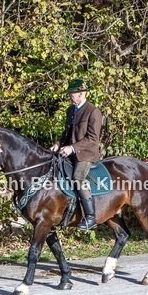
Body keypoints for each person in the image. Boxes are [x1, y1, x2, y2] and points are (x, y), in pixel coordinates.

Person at [51, 79, 104, 230]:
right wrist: (58, 143)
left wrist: (72, 148)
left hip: (86, 154)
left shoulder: (93, 111)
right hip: (69, 152)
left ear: (82, 93)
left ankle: (90, 217)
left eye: (72, 93)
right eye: (70, 93)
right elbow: (67, 133)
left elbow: (93, 139)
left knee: (77, 178)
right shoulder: (71, 110)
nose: (70, 96)